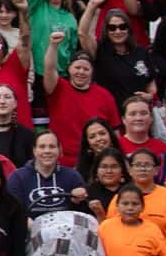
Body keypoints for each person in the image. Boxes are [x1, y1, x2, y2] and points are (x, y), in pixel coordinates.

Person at [42, 31, 121, 169]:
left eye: (86, 69)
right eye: (77, 67)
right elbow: (49, 68)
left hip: (95, 162)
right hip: (63, 162)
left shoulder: (104, 95)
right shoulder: (58, 87)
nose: (81, 72)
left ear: (92, 72)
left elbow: (115, 132)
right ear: (69, 69)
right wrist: (54, 45)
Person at [108, 148, 166, 254]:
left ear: (157, 170)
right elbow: (110, 232)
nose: (143, 169)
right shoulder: (120, 199)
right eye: (138, 165)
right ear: (130, 170)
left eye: (148, 165)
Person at [7, 131, 89, 218]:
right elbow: (13, 212)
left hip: (65, 228)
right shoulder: (17, 177)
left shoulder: (73, 176)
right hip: (30, 228)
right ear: (34, 151)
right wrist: (24, 222)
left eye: (52, 146)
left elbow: (83, 213)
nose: (47, 151)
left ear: (59, 150)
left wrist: (78, 201)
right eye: (42, 147)